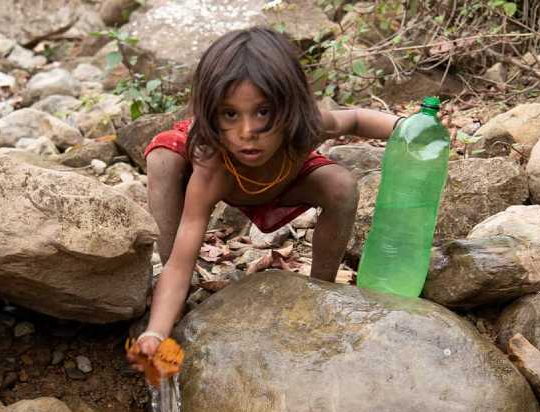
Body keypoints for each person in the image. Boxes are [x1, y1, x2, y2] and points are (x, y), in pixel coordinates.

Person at [132, 26, 407, 358]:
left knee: (340, 185)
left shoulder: (306, 127)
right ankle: (172, 303)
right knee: (163, 156)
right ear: (211, 114)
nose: (248, 132)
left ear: (289, 108)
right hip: (228, 176)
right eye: (230, 114)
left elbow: (358, 119)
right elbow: (179, 262)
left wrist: (408, 128)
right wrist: (156, 332)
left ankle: (320, 289)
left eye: (263, 112)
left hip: (283, 178)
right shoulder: (210, 166)